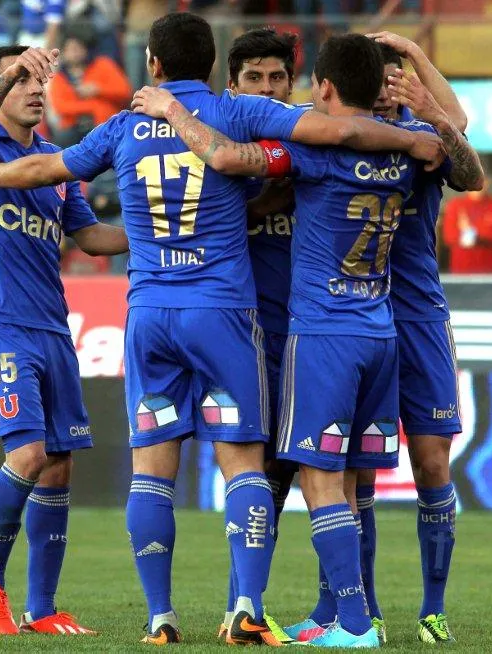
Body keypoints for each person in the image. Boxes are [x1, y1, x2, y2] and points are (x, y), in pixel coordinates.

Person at [0, 12, 445, 645]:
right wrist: (407, 139)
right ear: (215, 69)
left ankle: (161, 616)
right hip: (224, 312)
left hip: (151, 312)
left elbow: (56, 170)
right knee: (243, 465)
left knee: (151, 470)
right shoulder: (238, 112)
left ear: (153, 65)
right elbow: (338, 131)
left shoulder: (122, 125)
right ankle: (245, 604)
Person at [291, 33, 485, 647]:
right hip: (356, 315)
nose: (382, 98)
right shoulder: (331, 130)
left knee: (431, 462)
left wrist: (419, 69)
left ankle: (432, 609)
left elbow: (466, 151)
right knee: (354, 473)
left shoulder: (422, 139)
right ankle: (357, 610)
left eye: (392, 87)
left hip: (418, 313)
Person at [0, 44, 127, 637]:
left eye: (37, 80)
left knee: (57, 467)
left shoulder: (54, 160)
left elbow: (91, 239)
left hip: (52, 325)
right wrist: (11, 69)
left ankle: (43, 609)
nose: (34, 89)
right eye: (19, 80)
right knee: (25, 455)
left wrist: (160, 227)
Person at [215, 27, 299, 645]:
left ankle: (350, 611)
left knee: (313, 475)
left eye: (277, 79)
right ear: (233, 86)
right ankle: (242, 603)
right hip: (242, 332)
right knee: (257, 471)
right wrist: (268, 199)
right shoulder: (216, 148)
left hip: (316, 331)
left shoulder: (311, 138)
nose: (267, 90)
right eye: (254, 80)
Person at [46, 24, 131, 147]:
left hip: (104, 125)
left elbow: (125, 91)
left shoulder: (103, 64)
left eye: (78, 48)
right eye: (70, 49)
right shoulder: (60, 77)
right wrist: (94, 106)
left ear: (86, 49)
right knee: (62, 137)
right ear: (64, 52)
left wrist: (98, 90)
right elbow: (61, 107)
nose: (74, 53)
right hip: (72, 128)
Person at [442, 181, 492, 273]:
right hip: (460, 274)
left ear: (487, 182)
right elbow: (449, 236)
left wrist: (466, 230)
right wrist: (480, 231)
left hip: (490, 274)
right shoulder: (455, 206)